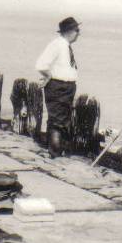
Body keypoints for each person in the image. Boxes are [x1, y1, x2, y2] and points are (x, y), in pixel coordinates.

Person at [35, 16, 81, 158]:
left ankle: (53, 149)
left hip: (65, 87)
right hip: (59, 86)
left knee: (59, 119)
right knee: (58, 121)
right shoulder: (57, 45)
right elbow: (41, 65)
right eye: (77, 30)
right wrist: (48, 76)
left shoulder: (64, 45)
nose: (78, 33)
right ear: (70, 31)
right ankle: (54, 152)